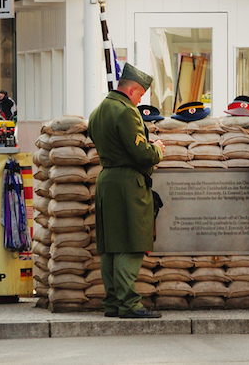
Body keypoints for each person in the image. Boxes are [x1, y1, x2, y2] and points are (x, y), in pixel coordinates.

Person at [87, 63, 165, 319]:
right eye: (141, 95)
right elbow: (141, 153)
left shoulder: (98, 112)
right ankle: (129, 304)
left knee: (110, 244)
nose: (140, 100)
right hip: (128, 184)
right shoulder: (127, 112)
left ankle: (113, 303)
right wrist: (158, 149)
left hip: (107, 179)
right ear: (132, 90)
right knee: (131, 242)